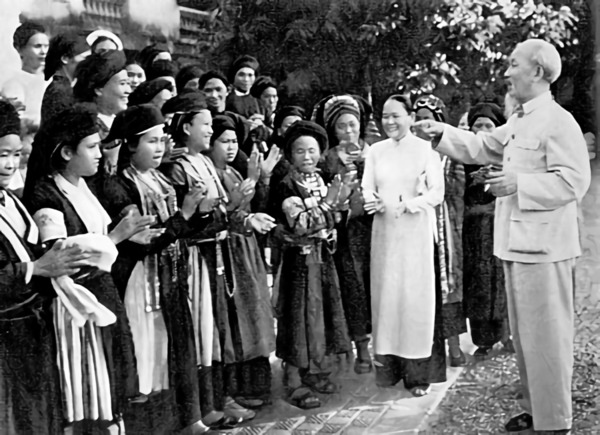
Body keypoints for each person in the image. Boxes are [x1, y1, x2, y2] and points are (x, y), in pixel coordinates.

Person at [413, 39, 591, 434]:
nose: (507, 73)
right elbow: (483, 146)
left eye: (514, 64)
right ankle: (538, 411)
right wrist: (441, 131)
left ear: (538, 72)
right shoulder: (523, 120)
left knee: (547, 338)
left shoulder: (559, 122)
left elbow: (574, 181)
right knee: (528, 339)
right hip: (520, 245)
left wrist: (518, 183)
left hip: (545, 249)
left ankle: (555, 422)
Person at [24, 105, 153, 433]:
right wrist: (116, 237)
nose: (99, 154)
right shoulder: (46, 195)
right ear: (67, 153)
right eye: (92, 147)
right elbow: (63, 257)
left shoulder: (85, 186)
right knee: (88, 385)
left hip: (102, 291)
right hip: (76, 304)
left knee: (111, 376)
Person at [99, 104, 212, 434]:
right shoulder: (119, 186)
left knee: (177, 345)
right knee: (149, 351)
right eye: (151, 141)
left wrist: (200, 213)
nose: (160, 148)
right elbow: (142, 241)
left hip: (171, 275)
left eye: (162, 140)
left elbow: (179, 228)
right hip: (140, 280)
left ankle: (185, 419)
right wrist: (185, 215)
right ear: (131, 145)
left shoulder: (160, 177)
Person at [0, 101, 83, 434]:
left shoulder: (12, 201)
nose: (9, 165)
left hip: (32, 326)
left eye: (16, 154)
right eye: (1, 155)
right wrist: (35, 268)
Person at [362, 94, 446, 397]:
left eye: (396, 115)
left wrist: (411, 204)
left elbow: (437, 193)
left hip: (415, 235)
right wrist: (371, 201)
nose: (389, 122)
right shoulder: (376, 151)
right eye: (385, 116)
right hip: (385, 233)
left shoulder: (425, 150)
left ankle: (418, 374)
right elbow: (367, 187)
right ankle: (389, 369)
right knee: (387, 298)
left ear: (410, 117)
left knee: (414, 300)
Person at [271, 120, 352, 409]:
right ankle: (294, 379)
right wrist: (329, 206)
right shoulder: (286, 185)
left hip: (323, 257)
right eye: (300, 151)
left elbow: (336, 218)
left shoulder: (322, 179)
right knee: (298, 317)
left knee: (323, 314)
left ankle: (316, 370)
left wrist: (336, 207)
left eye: (312, 151)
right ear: (290, 155)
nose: (307, 157)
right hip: (299, 262)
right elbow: (301, 224)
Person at [313, 94, 374, 374]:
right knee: (352, 289)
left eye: (353, 124)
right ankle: (361, 349)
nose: (349, 131)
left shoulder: (374, 153)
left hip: (374, 231)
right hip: (345, 235)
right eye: (341, 126)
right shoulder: (326, 160)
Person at [413, 94, 468, 367]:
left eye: (428, 119)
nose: (422, 124)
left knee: (448, 285)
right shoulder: (407, 153)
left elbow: (458, 191)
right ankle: (425, 352)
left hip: (444, 225)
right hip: (416, 226)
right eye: (418, 119)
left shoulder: (449, 154)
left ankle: (455, 348)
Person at [461, 101, 513, 358]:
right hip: (473, 232)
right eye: (477, 126)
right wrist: (475, 182)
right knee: (478, 283)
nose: (482, 131)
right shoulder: (462, 159)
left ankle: (507, 334)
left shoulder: (508, 157)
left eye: (488, 126)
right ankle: (482, 340)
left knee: (503, 280)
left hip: (501, 227)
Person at [2, 21, 50, 126]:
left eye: (46, 46)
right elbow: (17, 123)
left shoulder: (53, 79)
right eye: (37, 46)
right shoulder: (14, 84)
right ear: (20, 49)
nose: (43, 52)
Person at [41, 32, 90, 125]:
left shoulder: (62, 87)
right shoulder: (60, 91)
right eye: (85, 57)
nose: (89, 62)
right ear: (65, 58)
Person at [225, 55, 264, 123]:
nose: (246, 79)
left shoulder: (259, 103)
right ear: (234, 76)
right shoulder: (226, 100)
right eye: (241, 75)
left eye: (250, 75)